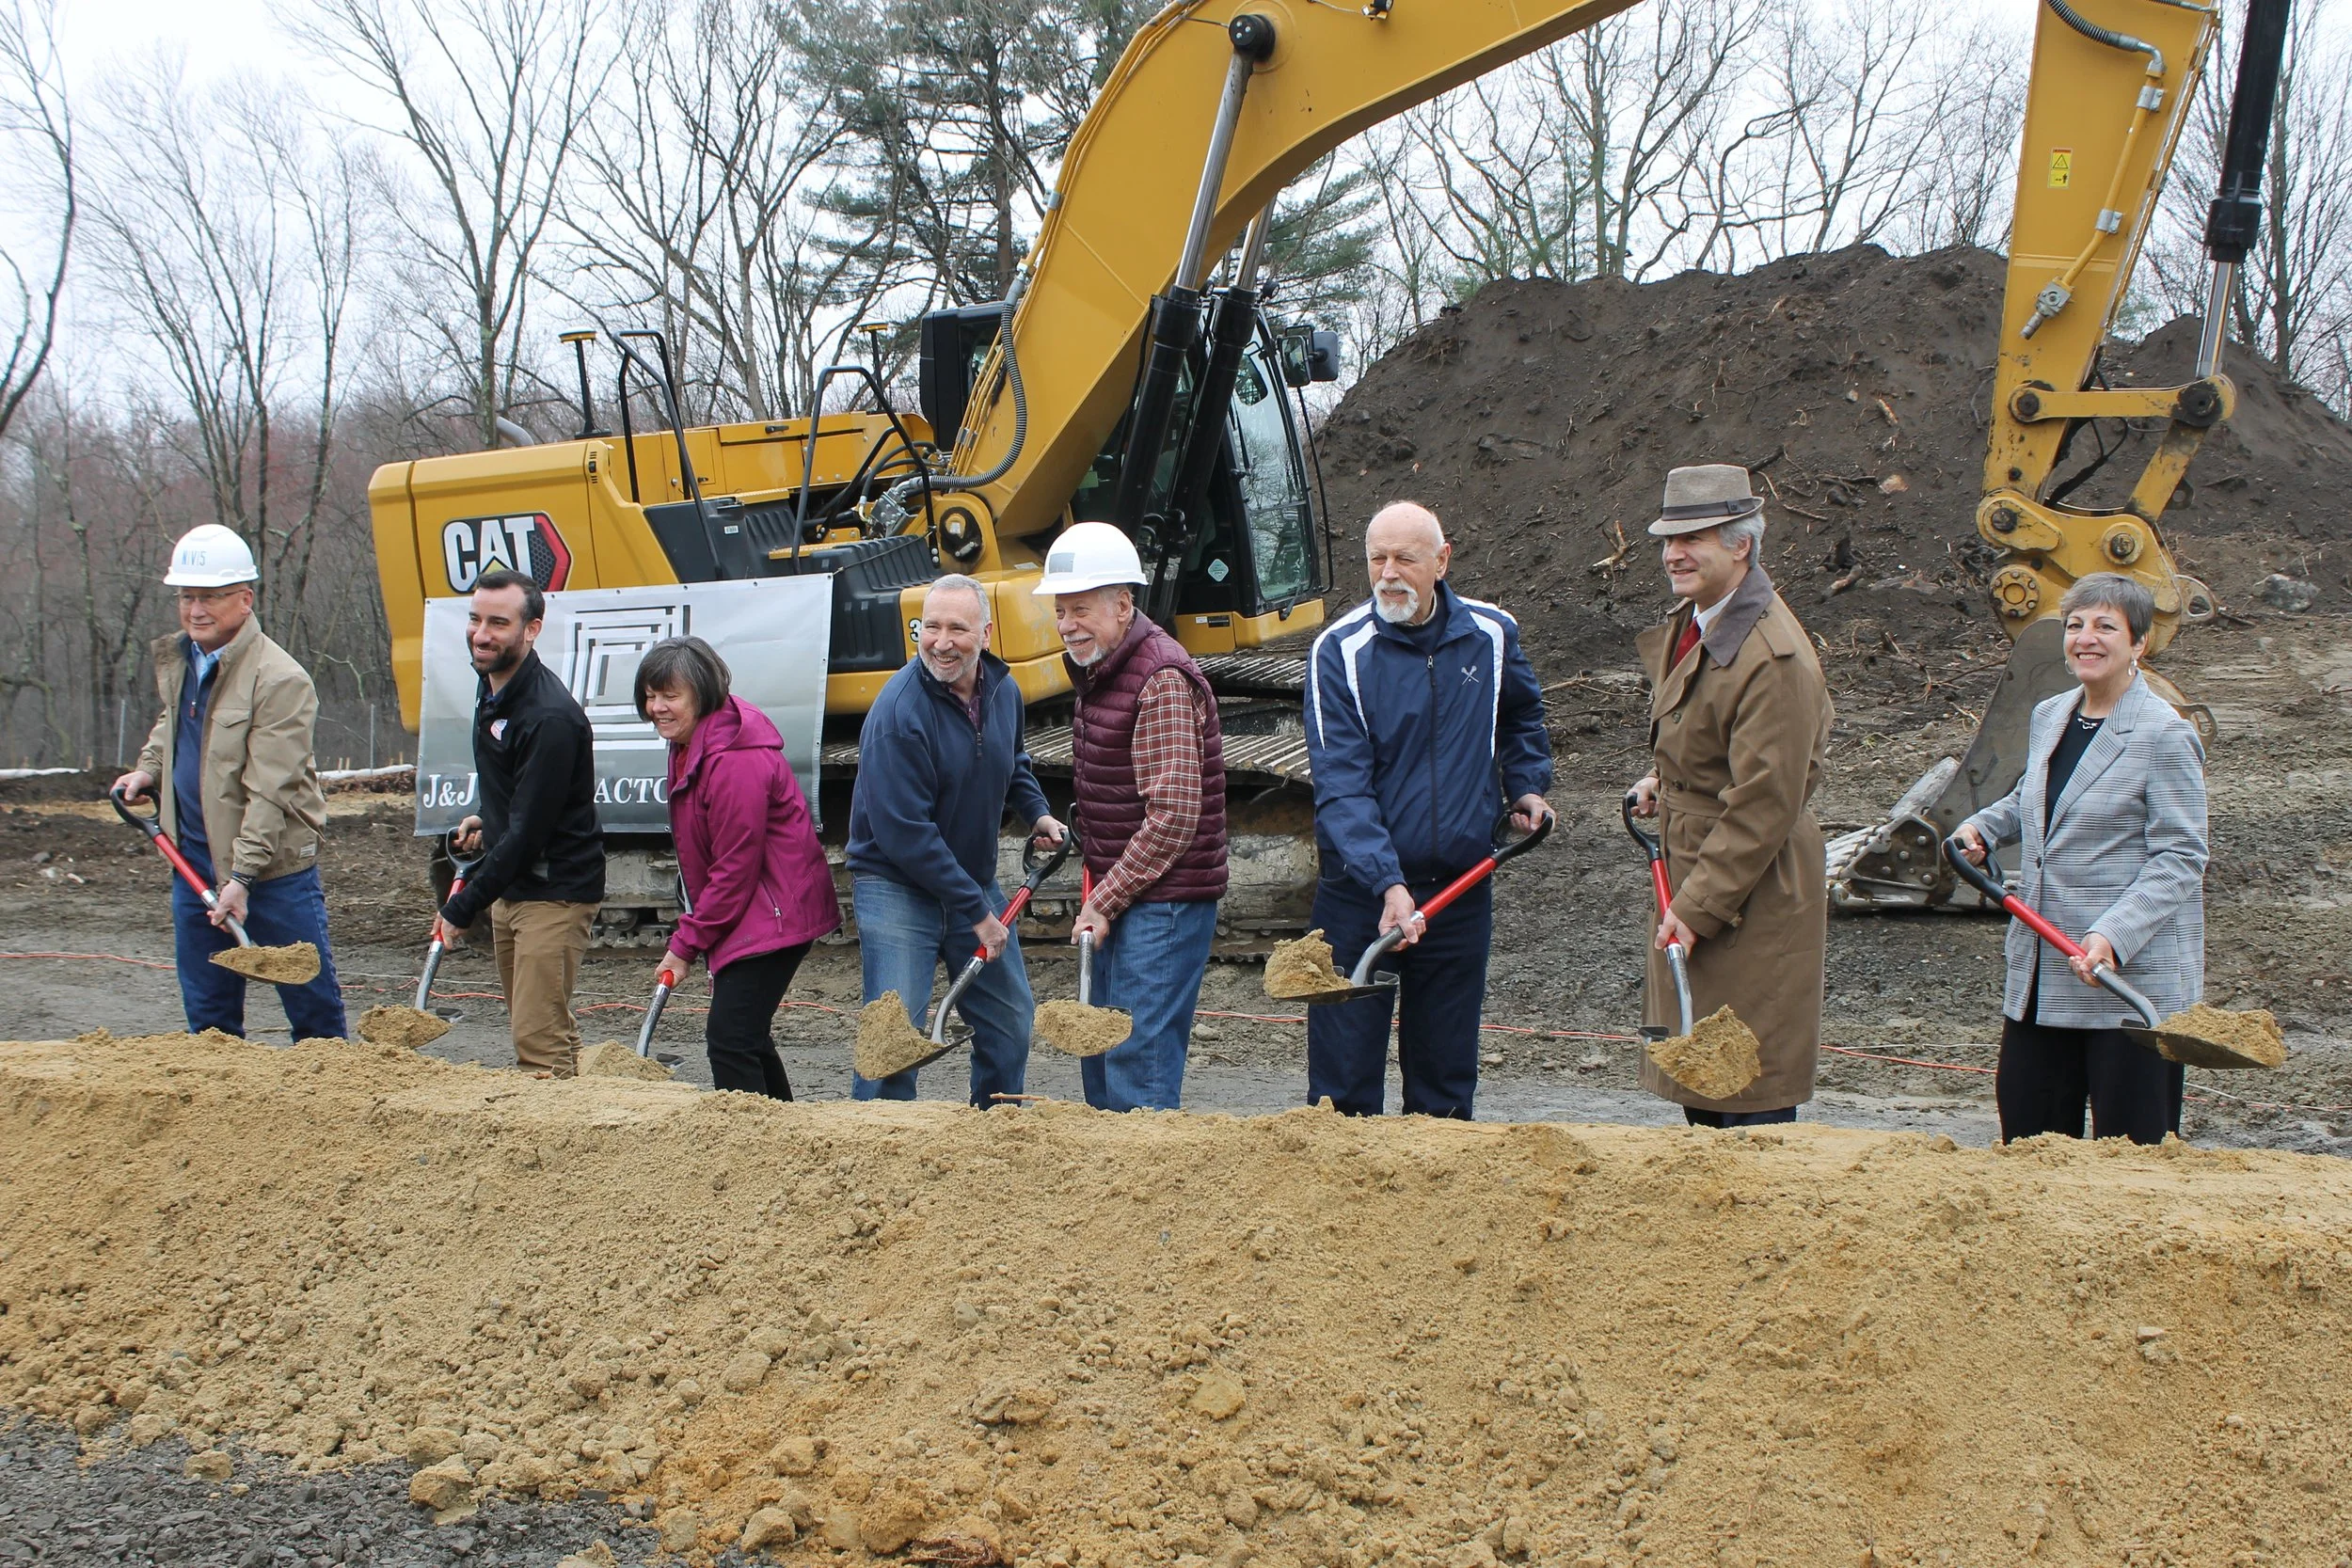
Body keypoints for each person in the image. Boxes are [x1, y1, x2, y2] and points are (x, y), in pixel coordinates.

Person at [1303, 502, 1551, 1117]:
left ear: (1442, 561)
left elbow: (1521, 714)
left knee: (1444, 1082)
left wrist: (1526, 783)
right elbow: (1341, 783)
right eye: (1376, 559)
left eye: (1404, 559)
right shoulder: (1339, 652)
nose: (1388, 573)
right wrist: (1386, 880)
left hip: (1459, 891)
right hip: (1360, 896)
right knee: (1343, 1090)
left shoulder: (1491, 634)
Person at [1954, 573, 2208, 1145]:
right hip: (2046, 974)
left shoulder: (2164, 734)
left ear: (2139, 644)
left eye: (2105, 626)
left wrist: (2114, 936)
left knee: (2131, 1160)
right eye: (2075, 625)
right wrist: (1983, 829)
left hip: (2124, 983)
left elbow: (2181, 855)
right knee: (2030, 1142)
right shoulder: (2052, 714)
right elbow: (2034, 797)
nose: (2085, 638)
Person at [1626, 464, 1832, 1128]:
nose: (1673, 554)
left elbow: (1765, 804)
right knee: (1705, 1085)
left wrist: (1696, 905)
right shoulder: (1705, 619)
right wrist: (1668, 778)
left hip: (1750, 892)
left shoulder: (1770, 655)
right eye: (1667, 539)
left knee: (1745, 1096)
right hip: (1709, 868)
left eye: (1696, 538)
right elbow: (1713, 732)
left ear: (1742, 545)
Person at [116, 525, 345, 1041]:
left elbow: (270, 791)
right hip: (193, 864)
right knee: (210, 1020)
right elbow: (172, 724)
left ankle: (333, 1110)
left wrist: (241, 878)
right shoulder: (184, 660)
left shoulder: (280, 680)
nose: (196, 609)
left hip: (272, 876)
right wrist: (148, 769)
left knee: (315, 1020)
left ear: (244, 600)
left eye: (210, 597)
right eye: (186, 596)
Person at [845, 575, 1066, 1105]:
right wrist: (978, 912)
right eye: (931, 627)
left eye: (957, 629)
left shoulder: (1001, 690)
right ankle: (873, 1152)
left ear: (985, 634)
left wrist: (1036, 812)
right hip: (898, 886)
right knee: (892, 1044)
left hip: (970, 880)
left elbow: (1011, 760)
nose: (942, 642)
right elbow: (906, 835)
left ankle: (988, 1137)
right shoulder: (899, 714)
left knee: (1012, 1022)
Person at [1033, 522, 1227, 1112]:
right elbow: (1127, 781)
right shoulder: (1107, 670)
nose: (1068, 624)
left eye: (1082, 609)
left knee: (1136, 1066)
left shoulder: (1160, 679)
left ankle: (1149, 1197)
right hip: (1132, 891)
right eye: (1061, 611)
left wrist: (1102, 900)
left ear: (1123, 605)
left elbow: (1171, 815)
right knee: (1104, 1053)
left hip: (1163, 901)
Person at [640, 637, 839, 1099]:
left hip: (775, 910)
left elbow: (734, 868)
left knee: (730, 1040)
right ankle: (782, 1138)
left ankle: (755, 1149)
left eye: (670, 696)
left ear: (703, 694)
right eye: (651, 695)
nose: (657, 707)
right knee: (745, 1035)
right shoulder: (693, 742)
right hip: (756, 906)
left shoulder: (734, 760)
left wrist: (686, 945)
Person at [433, 568, 605, 1077]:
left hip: (553, 893)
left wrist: (462, 906)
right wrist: (487, 819)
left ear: (531, 629)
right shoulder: (494, 689)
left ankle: (557, 1147)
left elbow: (530, 833)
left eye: (498, 623)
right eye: (475, 619)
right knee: (538, 1024)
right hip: (516, 888)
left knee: (537, 1045)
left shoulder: (547, 716)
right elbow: (520, 803)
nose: (481, 634)